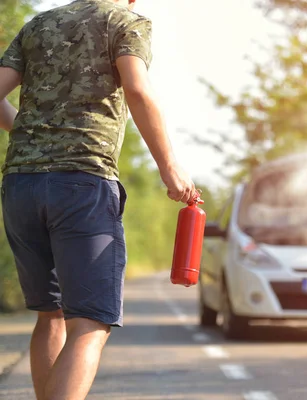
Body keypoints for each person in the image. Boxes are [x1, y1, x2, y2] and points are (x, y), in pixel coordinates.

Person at [0, 0, 197, 399]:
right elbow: (138, 90)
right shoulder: (126, 21)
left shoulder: (40, 23)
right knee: (89, 324)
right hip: (81, 184)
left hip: (20, 184)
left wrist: (25, 133)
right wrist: (170, 168)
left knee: (50, 315)